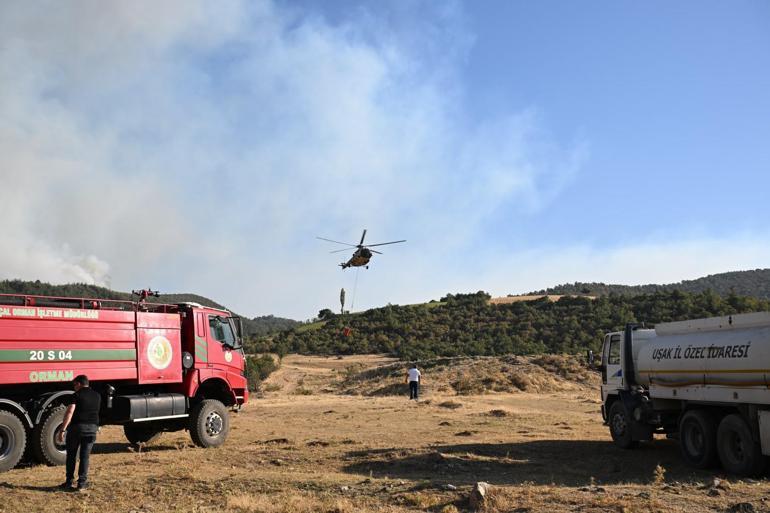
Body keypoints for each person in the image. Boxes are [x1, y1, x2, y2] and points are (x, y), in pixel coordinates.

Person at [57, 375, 101, 491]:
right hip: (92, 429)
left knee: (71, 456)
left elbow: (70, 412)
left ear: (79, 384)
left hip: (77, 429)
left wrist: (62, 429)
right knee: (85, 457)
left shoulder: (76, 395)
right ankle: (82, 483)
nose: (74, 387)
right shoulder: (97, 396)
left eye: (74, 385)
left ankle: (69, 482)